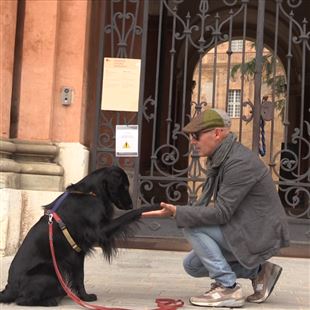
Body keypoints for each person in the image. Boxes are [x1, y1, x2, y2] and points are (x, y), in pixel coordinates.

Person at [143, 108, 290, 308]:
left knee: (192, 226)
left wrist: (179, 212)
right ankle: (259, 272)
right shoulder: (222, 158)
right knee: (192, 266)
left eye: (196, 135)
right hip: (245, 227)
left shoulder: (239, 162)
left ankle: (228, 288)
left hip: (260, 232)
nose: (193, 141)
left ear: (217, 133)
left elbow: (222, 213)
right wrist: (181, 212)